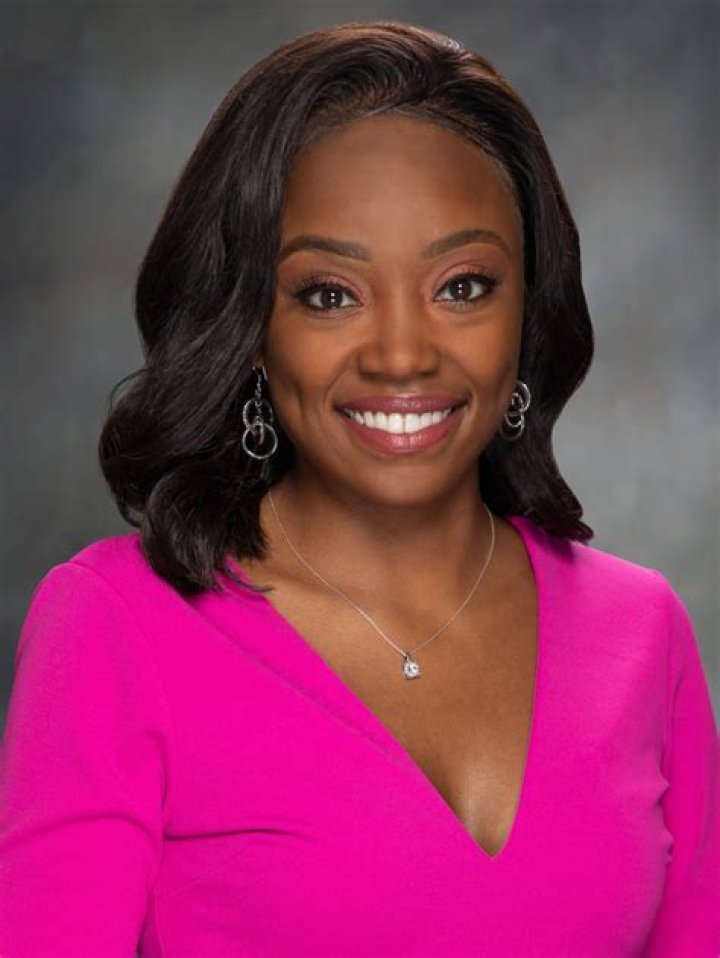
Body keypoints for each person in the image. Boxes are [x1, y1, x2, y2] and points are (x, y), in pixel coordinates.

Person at [1, 20, 718, 958]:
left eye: (462, 286)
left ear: (528, 309)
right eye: (329, 294)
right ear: (250, 325)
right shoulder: (116, 623)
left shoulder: (643, 632)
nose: (401, 355)